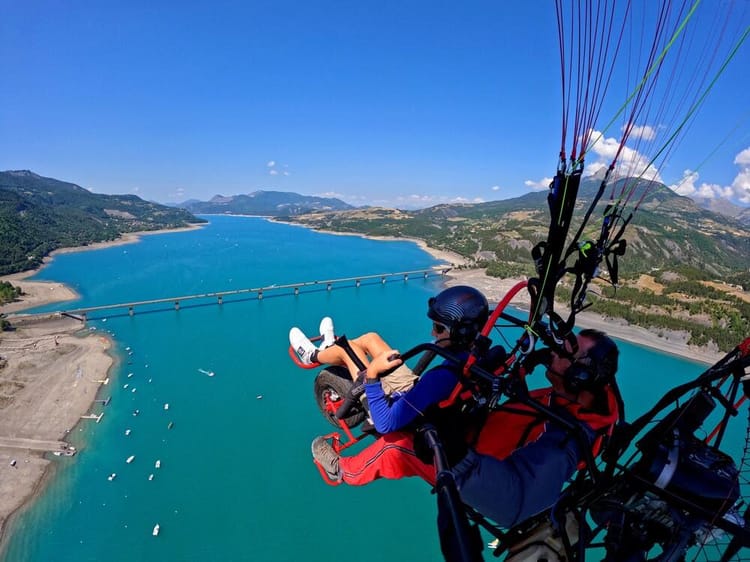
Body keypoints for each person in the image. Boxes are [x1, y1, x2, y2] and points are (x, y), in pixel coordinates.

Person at [290, 285, 490, 484]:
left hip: (392, 408)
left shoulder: (440, 378)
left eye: (438, 328)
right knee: (371, 338)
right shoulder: (477, 358)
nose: (432, 332)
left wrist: (373, 376)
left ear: (458, 333)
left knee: (345, 349)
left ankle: (313, 355)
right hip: (418, 396)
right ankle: (328, 348)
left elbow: (385, 424)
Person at [449, 328, 621, 528]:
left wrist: (452, 455)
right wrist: (525, 368)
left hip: (456, 462)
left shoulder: (563, 445)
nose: (552, 353)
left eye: (561, 351)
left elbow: (513, 506)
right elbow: (524, 421)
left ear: (578, 376)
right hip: (466, 434)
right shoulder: (570, 398)